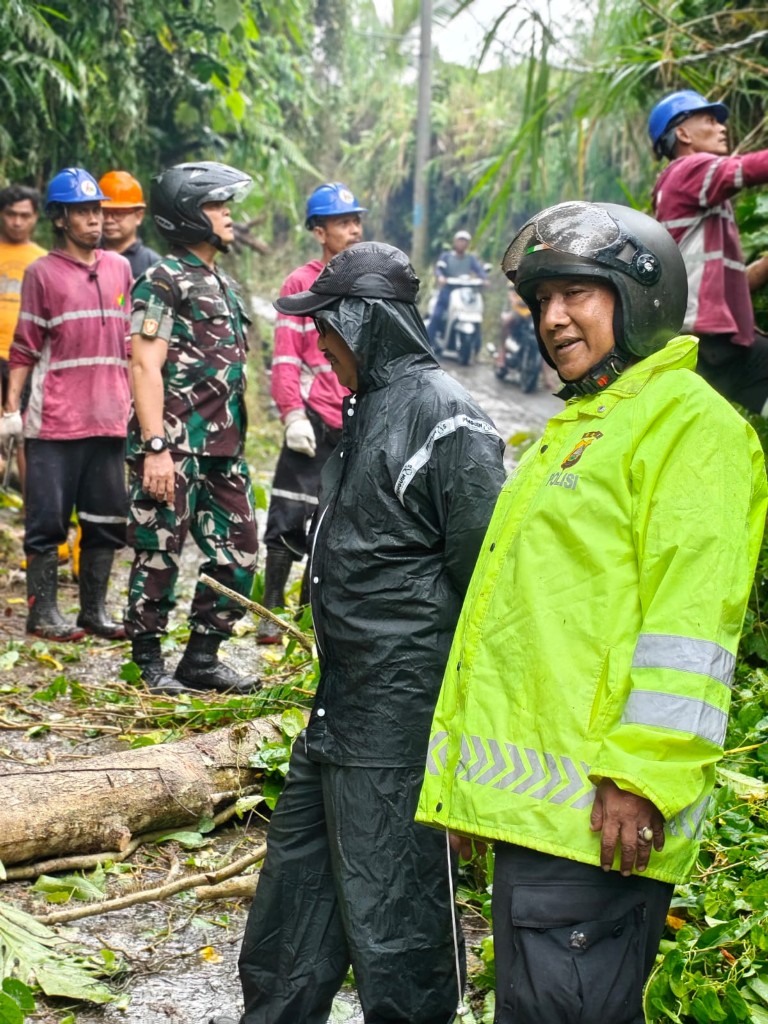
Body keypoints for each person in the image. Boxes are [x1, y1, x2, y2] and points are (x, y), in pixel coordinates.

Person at [416, 201, 768, 1024]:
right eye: (543, 299)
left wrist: (641, 776)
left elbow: (692, 626)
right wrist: (472, 789)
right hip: (541, 821)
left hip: (603, 824)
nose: (555, 317)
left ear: (637, 297)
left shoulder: (691, 427)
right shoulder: (583, 427)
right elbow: (522, 623)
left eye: (578, 292)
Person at [212, 242, 507, 1024]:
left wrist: (470, 740)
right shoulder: (368, 403)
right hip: (336, 708)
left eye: (328, 332)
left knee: (397, 924)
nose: (322, 348)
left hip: (399, 719)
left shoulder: (448, 418)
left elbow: (489, 579)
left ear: (364, 323)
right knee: (291, 906)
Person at [124, 161, 259, 696]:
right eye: (216, 205)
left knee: (241, 548)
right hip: (173, 444)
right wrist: (156, 446)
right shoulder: (161, 279)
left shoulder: (222, 282)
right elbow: (143, 365)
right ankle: (148, 661)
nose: (228, 215)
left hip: (223, 446)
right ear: (187, 214)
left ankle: (202, 657)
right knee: (158, 550)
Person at [1, 168, 132, 641]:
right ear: (60, 218)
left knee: (106, 521)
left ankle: (94, 612)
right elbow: (24, 345)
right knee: (47, 522)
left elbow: (131, 344)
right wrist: (11, 409)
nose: (94, 220)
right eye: (83, 212)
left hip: (110, 419)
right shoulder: (41, 273)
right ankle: (42, 614)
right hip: (56, 421)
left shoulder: (119, 268)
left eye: (97, 210)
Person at [257, 182, 366, 644]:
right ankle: (270, 612)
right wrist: (291, 414)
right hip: (312, 419)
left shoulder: (365, 278)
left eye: (357, 221)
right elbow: (285, 357)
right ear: (320, 232)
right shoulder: (300, 283)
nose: (355, 230)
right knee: (287, 514)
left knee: (331, 522)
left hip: (351, 421)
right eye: (344, 223)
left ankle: (307, 617)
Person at [649, 88, 768, 415]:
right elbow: (748, 168)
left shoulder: (690, 191)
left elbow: (721, 280)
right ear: (683, 133)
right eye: (710, 120)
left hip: (712, 345)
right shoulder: (687, 170)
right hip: (708, 343)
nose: (721, 127)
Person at [0, 184, 45, 489]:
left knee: (28, 440)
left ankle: (34, 521)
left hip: (27, 359)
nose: (17, 222)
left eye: (24, 216)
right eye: (10, 215)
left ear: (36, 218)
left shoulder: (43, 261)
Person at [426, 228, 487, 353]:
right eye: (460, 240)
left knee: (475, 314)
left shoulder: (470, 259)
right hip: (448, 291)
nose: (462, 243)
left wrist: (484, 279)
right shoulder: (446, 256)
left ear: (468, 244)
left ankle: (476, 347)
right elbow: (438, 269)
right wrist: (441, 277)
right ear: (455, 242)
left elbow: (479, 271)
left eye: (465, 241)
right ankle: (427, 343)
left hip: (464, 292)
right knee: (437, 315)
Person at [98, 170, 161, 278]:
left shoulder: (153, 264)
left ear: (139, 216)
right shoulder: (86, 257)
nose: (109, 220)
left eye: (118, 214)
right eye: (103, 212)